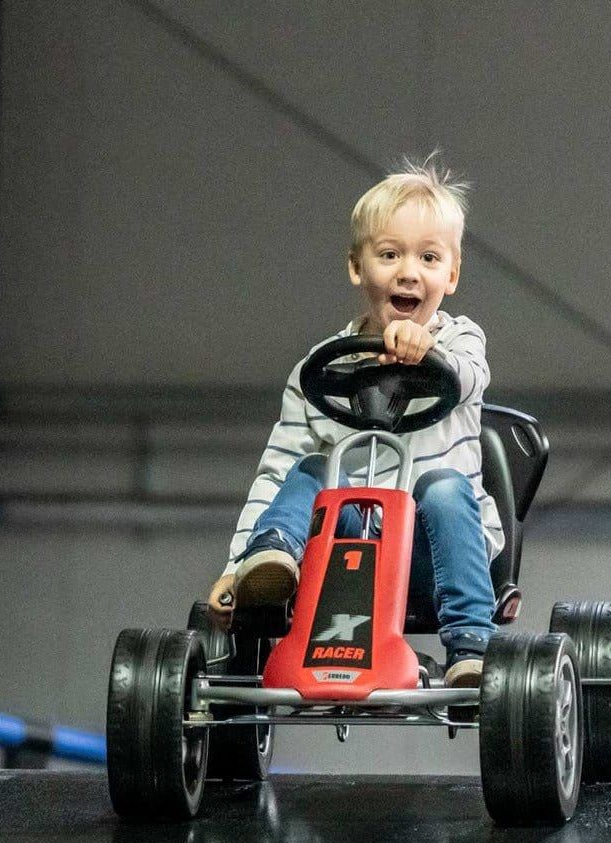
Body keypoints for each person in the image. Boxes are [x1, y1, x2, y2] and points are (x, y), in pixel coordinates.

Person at [206, 156, 502, 686]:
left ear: (451, 274)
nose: (409, 271)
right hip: (340, 552)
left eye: (428, 258)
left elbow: (466, 379)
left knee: (441, 487)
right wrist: (233, 565)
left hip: (429, 560)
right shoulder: (321, 368)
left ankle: (472, 645)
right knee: (314, 469)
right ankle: (269, 559)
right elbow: (277, 469)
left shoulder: (461, 341)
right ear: (357, 266)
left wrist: (426, 351)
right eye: (389, 254)